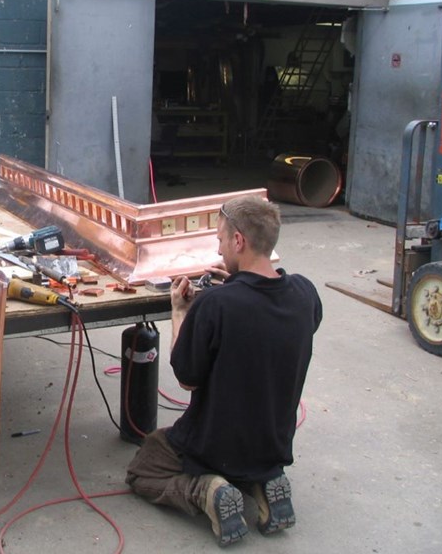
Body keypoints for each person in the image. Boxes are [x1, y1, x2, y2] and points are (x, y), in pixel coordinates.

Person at [125, 195, 322, 547]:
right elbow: (269, 322)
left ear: (238, 241)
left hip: (214, 446)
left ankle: (205, 490)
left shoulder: (215, 305)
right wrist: (238, 283)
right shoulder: (305, 294)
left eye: (220, 240)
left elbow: (186, 379)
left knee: (144, 465)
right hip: (272, 443)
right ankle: (264, 481)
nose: (218, 251)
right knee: (251, 456)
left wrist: (181, 312)